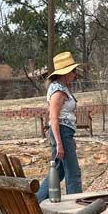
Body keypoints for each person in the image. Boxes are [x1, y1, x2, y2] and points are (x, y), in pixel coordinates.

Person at [36, 51, 83, 202]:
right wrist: (59, 143)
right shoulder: (58, 90)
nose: (75, 74)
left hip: (65, 132)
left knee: (58, 171)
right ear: (65, 72)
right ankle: (77, 207)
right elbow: (54, 118)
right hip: (60, 131)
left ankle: (35, 202)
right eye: (73, 71)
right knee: (73, 173)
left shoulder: (63, 87)